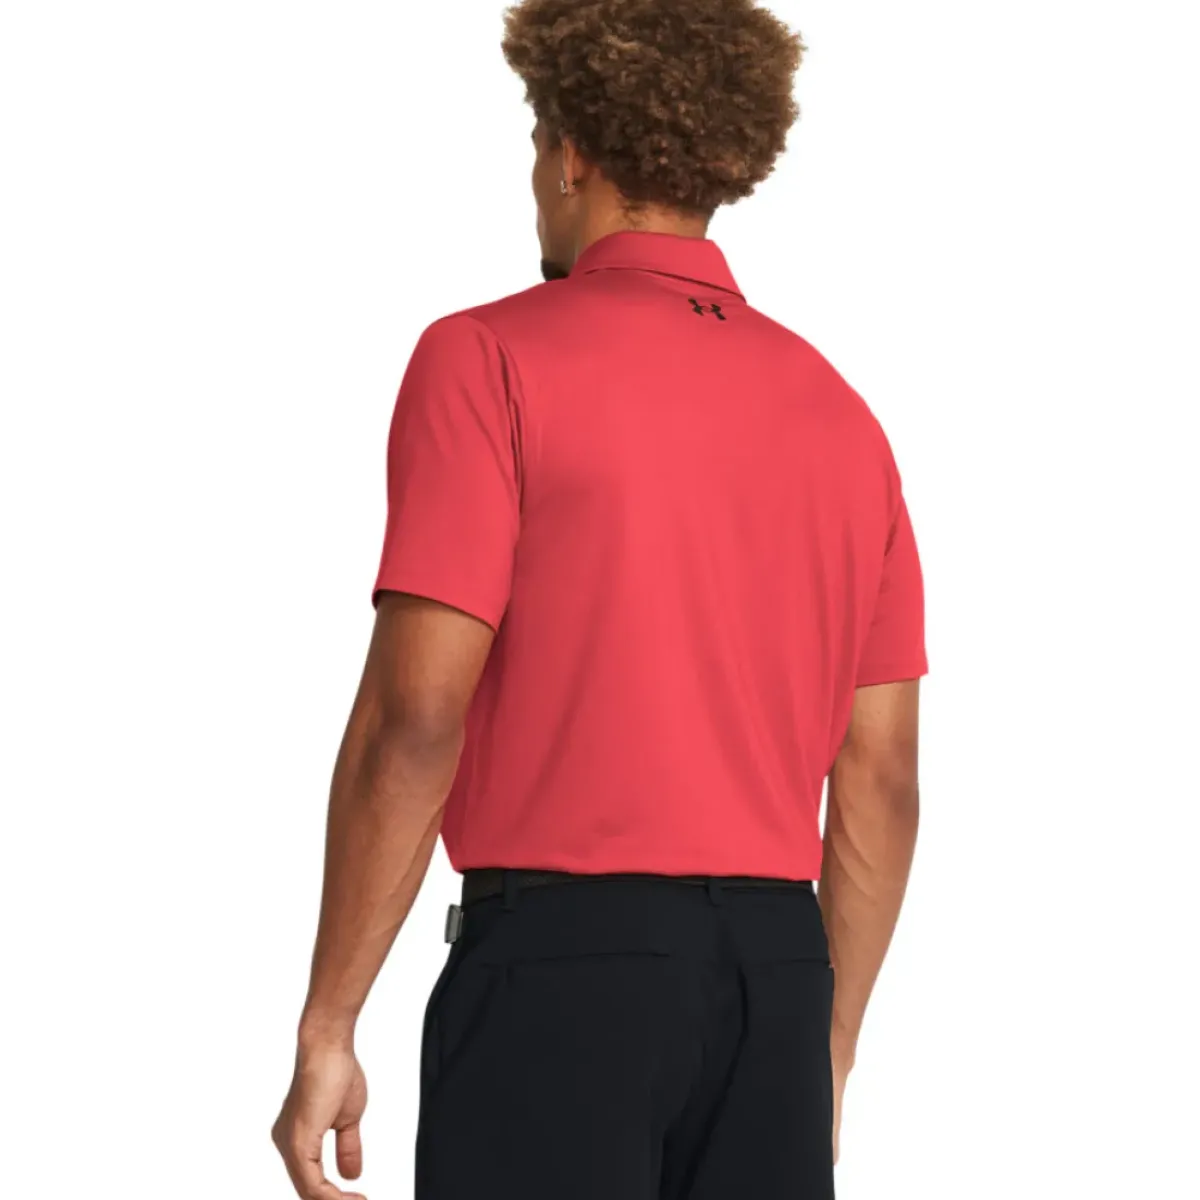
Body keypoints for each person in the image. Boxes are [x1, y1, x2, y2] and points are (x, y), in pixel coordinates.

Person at [271, 1, 926, 1197]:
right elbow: (880, 774)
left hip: (563, 974)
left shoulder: (487, 359)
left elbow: (416, 716)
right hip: (778, 983)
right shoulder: (843, 417)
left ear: (572, 154)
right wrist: (823, 1050)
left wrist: (331, 1020)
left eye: (539, 148)